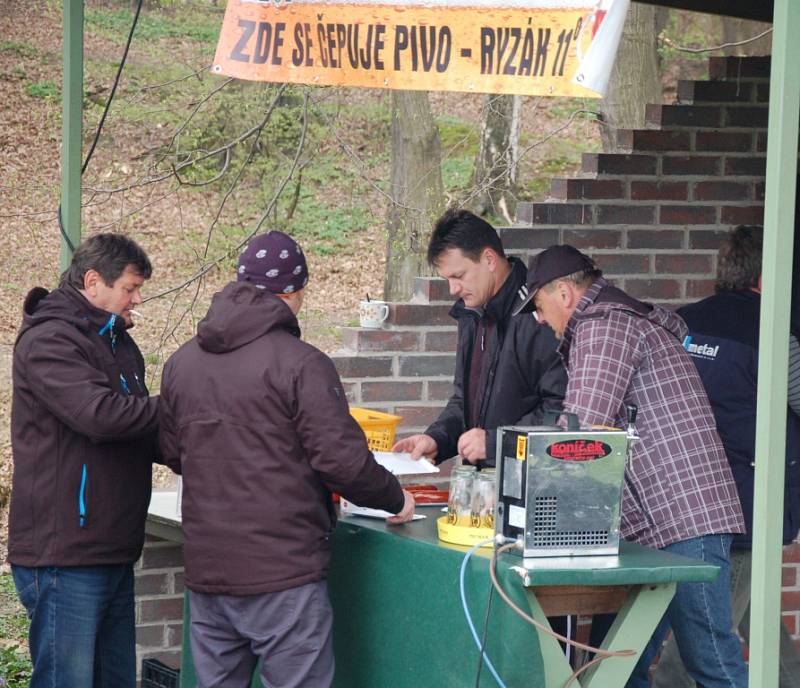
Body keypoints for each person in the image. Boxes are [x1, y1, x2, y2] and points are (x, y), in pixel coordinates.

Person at [159, 230, 415, 688]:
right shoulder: (301, 364)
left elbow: (172, 449)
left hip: (208, 570)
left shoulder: (182, 363)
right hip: (282, 575)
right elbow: (343, 463)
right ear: (294, 292)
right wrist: (396, 498)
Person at [515, 244, 748, 688]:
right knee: (615, 665)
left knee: (712, 664)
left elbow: (581, 433)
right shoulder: (614, 322)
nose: (540, 320)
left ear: (564, 293)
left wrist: (520, 491)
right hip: (658, 522)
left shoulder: (605, 328)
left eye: (540, 307)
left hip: (684, 515)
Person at [650, 226, 800, 688]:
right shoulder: (775, 336)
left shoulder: (680, 324)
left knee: (753, 617)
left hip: (680, 501)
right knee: (702, 647)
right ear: (768, 276)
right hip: (747, 508)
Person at [8, 233, 159, 688]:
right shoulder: (49, 341)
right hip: (64, 555)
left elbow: (141, 427)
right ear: (93, 281)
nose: (136, 300)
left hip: (112, 545)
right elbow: (100, 416)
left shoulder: (118, 343)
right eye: (130, 289)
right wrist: (183, 405)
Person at [392, 209, 566, 467]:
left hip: (532, 483)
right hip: (484, 486)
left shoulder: (539, 315)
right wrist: (437, 439)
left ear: (489, 259)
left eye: (459, 276)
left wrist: (496, 443)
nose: (453, 289)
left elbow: (562, 410)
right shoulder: (472, 314)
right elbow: (465, 402)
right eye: (448, 279)